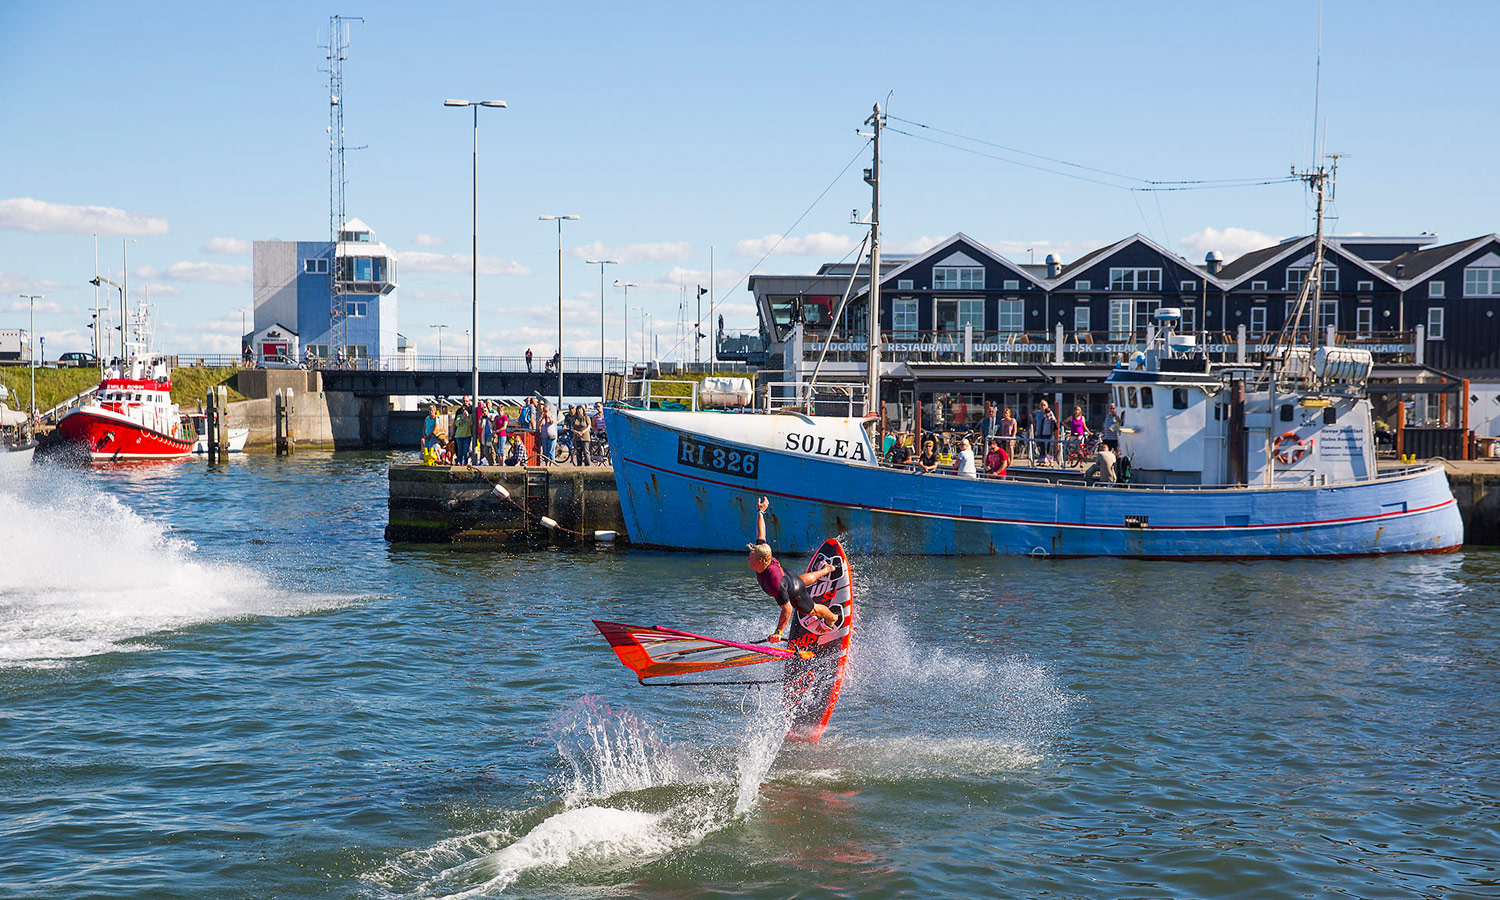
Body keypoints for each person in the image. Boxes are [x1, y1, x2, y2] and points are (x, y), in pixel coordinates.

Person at [748, 497, 840, 642]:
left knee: (812, 609)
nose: (748, 558)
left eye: (750, 557)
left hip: (792, 589)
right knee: (798, 581)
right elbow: (761, 534)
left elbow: (787, 610)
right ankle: (826, 570)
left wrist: (778, 632)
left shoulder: (773, 582)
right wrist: (760, 511)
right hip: (789, 577)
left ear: (760, 561)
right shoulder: (763, 552)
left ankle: (831, 618)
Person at [1035, 399, 1059, 465]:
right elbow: (1035, 422)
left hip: (1048, 433)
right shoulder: (1038, 413)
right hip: (1039, 432)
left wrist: (1053, 419)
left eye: (1044, 405)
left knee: (1049, 447)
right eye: (1041, 405)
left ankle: (1049, 460)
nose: (1043, 406)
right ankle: (1041, 460)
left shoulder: (1050, 413)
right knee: (1040, 446)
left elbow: (1055, 422)